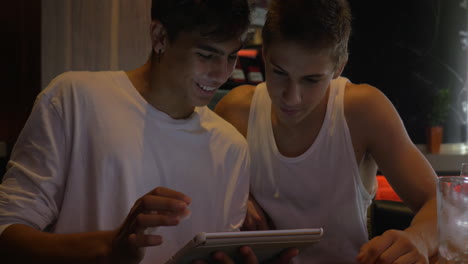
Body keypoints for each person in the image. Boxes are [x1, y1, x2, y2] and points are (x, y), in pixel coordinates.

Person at [0, 1, 295, 264]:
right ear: (159, 37)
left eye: (231, 57)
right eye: (207, 55)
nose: (222, 73)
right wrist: (107, 249)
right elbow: (8, 235)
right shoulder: (74, 99)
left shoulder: (232, 147)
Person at [215, 0, 439, 263]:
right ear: (264, 53)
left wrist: (420, 238)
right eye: (279, 73)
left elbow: (442, 202)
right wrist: (232, 200)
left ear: (339, 67)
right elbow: (201, 203)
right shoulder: (235, 112)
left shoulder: (363, 110)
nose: (292, 97)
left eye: (311, 80)